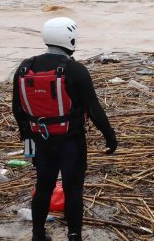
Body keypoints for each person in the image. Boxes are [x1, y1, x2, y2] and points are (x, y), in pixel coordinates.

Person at [11, 17, 117, 241]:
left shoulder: (23, 67)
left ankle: (38, 235)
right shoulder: (75, 70)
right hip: (70, 141)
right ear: (70, 39)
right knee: (72, 189)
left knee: (43, 186)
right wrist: (110, 136)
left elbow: (17, 108)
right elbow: (93, 108)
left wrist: (27, 136)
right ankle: (74, 236)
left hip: (40, 140)